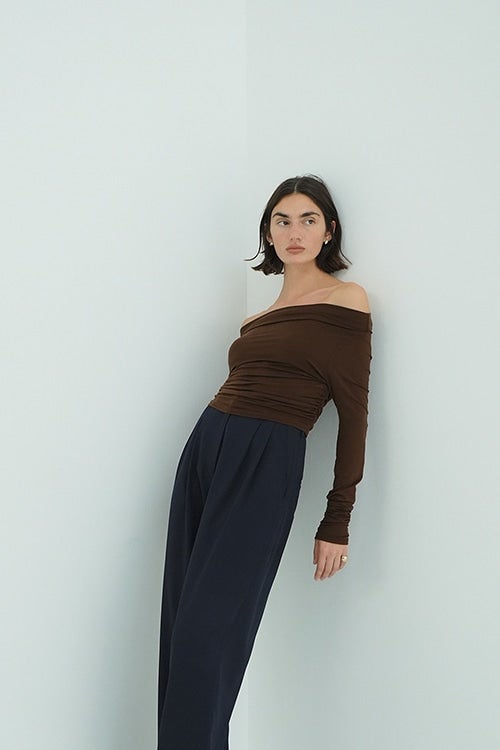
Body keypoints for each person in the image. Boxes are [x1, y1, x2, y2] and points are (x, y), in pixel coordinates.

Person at [157, 174, 372, 750]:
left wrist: (337, 518)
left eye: (308, 219)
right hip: (206, 449)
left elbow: (354, 414)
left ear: (329, 231)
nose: (294, 231)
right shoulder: (258, 317)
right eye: (282, 220)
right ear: (269, 234)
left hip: (266, 460)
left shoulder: (346, 301)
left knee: (208, 632)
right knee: (180, 623)